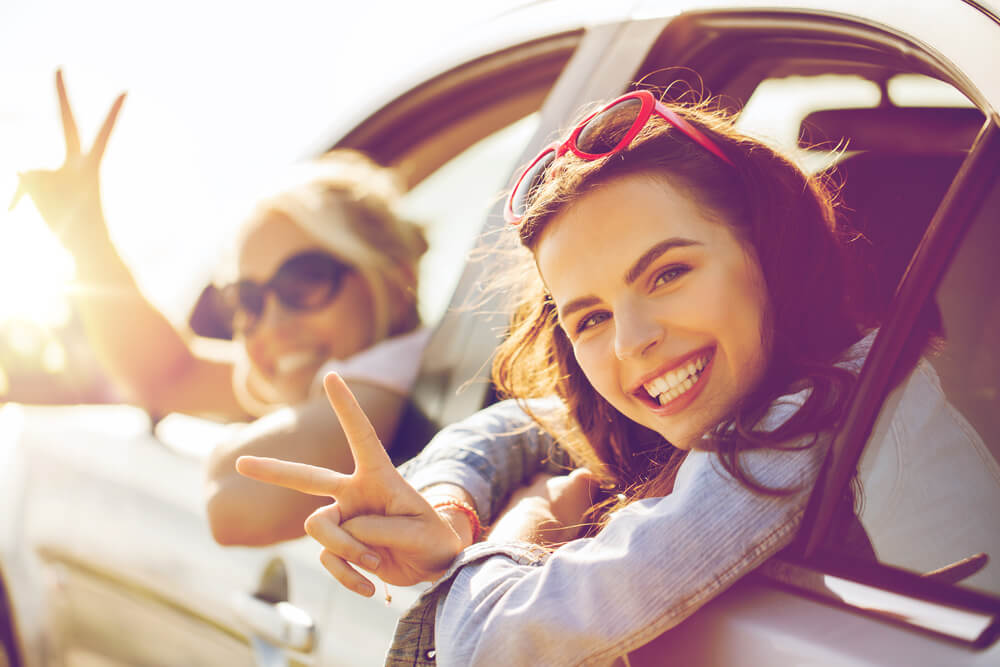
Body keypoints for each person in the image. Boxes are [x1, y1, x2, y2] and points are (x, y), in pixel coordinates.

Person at [235, 88, 878, 664]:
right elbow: (523, 422)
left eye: (669, 274)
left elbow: (493, 642)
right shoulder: (769, 385)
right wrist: (448, 506)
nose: (633, 341)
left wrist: (520, 530)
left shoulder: (799, 424)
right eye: (592, 318)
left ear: (768, 248)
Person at [12, 70, 430, 546]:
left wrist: (233, 444)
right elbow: (167, 375)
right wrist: (85, 235)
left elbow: (238, 502)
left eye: (305, 280)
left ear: (397, 277)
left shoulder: (391, 374)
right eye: (247, 301)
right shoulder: (346, 366)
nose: (271, 326)